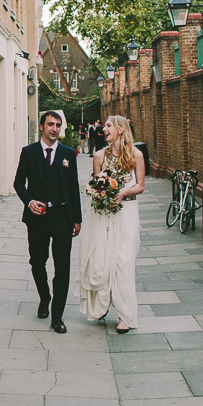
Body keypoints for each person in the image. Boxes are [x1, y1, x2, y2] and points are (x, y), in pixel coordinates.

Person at [13, 111, 83, 334]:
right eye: (51, 124)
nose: (54, 128)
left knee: (62, 267)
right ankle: (45, 297)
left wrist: (77, 219)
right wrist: (29, 201)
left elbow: (73, 188)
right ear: (42, 127)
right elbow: (18, 183)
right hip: (37, 218)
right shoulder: (29, 152)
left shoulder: (68, 154)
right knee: (37, 262)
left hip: (62, 217)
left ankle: (57, 317)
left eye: (58, 125)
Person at [76, 115, 145, 334]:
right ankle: (102, 305)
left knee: (124, 262)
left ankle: (126, 316)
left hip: (127, 212)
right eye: (104, 125)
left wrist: (123, 192)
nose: (103, 128)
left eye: (108, 125)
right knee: (102, 260)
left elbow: (140, 185)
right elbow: (97, 185)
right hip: (104, 214)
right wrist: (101, 193)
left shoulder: (136, 155)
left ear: (121, 129)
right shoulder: (99, 156)